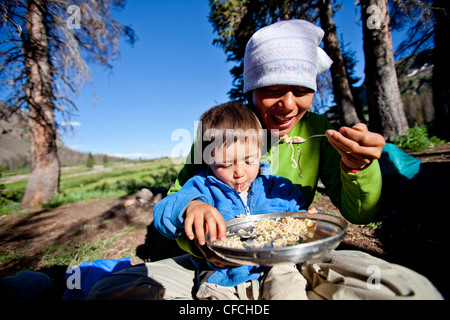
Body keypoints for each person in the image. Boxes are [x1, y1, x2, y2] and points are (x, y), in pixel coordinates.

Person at [87, 19, 442, 300]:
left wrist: (358, 170)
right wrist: (196, 232)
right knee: (112, 290)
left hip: (291, 261)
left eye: (301, 90)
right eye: (273, 89)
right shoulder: (225, 131)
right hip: (217, 270)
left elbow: (360, 214)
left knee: (406, 290)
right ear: (251, 88)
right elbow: (178, 198)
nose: (288, 104)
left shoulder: (320, 134)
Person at [153, 102, 315, 299]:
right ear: (208, 159)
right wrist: (190, 206)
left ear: (260, 151)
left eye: (249, 160)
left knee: (289, 286)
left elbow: (300, 218)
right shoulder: (201, 187)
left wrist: (311, 219)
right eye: (225, 164)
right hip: (220, 276)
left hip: (275, 267)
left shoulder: (276, 188)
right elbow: (163, 216)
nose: (239, 172)